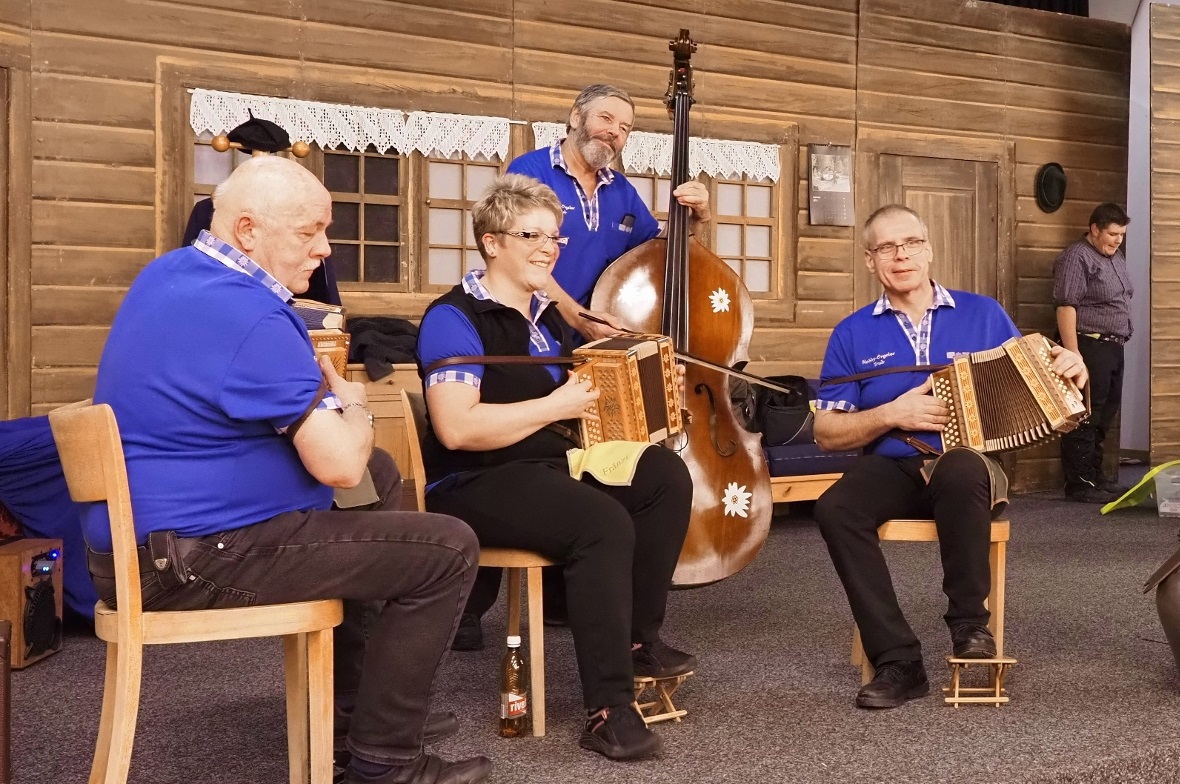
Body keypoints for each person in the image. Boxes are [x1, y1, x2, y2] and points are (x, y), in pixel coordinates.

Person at [84, 155, 491, 784]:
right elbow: (339, 461)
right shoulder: (248, 314)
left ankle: (353, 709)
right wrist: (356, 407)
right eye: (309, 232)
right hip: (187, 557)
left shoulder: (171, 274)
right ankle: (386, 764)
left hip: (141, 547)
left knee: (378, 474)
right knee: (446, 549)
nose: (325, 250)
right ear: (248, 230)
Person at [416, 173, 695, 760]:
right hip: (473, 480)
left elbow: (579, 416)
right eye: (532, 236)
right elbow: (457, 429)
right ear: (492, 242)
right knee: (600, 522)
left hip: (548, 465)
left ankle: (637, 642)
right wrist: (556, 405)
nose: (549, 249)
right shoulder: (454, 317)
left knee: (663, 475)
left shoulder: (550, 321)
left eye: (555, 237)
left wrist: (650, 396)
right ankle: (609, 710)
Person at [447, 83, 711, 650]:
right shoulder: (531, 170)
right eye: (606, 118)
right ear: (575, 117)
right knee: (515, 456)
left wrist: (696, 219)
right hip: (533, 328)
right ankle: (466, 607)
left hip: (588, 344)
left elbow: (657, 253)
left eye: (626, 126)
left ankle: (579, 598)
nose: (614, 132)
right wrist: (572, 312)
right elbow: (526, 253)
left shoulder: (622, 191)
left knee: (574, 461)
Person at [813, 204, 1088, 710]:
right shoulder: (851, 332)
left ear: (929, 249)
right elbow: (827, 432)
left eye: (911, 243)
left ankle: (969, 628)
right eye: (886, 248)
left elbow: (1039, 378)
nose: (901, 256)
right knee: (835, 507)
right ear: (870, 260)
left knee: (961, 465)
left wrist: (1070, 365)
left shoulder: (984, 313)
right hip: (893, 465)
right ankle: (897, 660)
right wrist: (892, 413)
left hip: (968, 467)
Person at [1053, 202, 1133, 503]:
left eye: (1121, 235)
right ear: (1095, 229)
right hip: (1088, 345)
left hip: (1113, 346)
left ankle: (1096, 476)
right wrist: (1074, 355)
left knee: (1104, 414)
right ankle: (1079, 483)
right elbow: (1066, 306)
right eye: (1112, 234)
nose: (1117, 240)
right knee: (1085, 413)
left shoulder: (1115, 257)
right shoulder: (1076, 257)